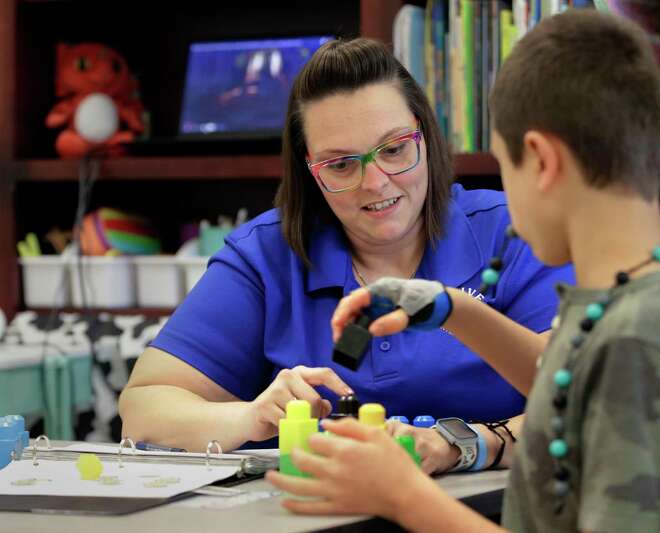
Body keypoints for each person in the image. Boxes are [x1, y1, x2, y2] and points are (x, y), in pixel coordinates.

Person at [266, 10, 660, 533]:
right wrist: (448, 307)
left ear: (541, 161)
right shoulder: (659, 286)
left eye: (506, 169)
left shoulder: (636, 340)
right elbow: (563, 380)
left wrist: (404, 496)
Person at [119, 37, 573, 474]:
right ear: (309, 171)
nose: (375, 183)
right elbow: (143, 410)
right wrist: (249, 417)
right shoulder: (265, 256)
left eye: (394, 149)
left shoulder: (515, 234)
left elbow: (581, 401)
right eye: (341, 164)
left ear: (426, 137)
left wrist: (462, 443)